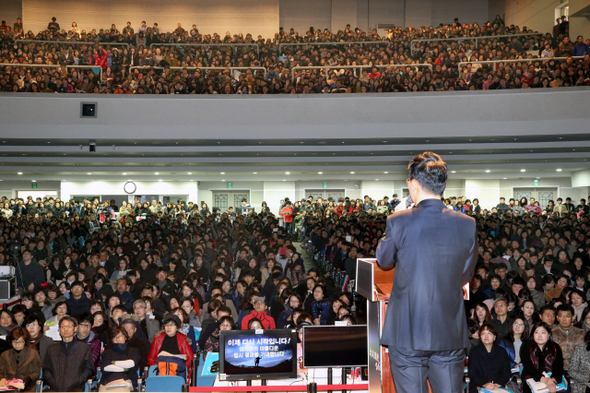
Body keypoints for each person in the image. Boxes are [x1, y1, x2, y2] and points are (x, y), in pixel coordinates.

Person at [376, 152, 478, 393]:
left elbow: (384, 260)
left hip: (407, 332)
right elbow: (465, 275)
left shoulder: (398, 220)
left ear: (413, 184)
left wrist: (399, 213)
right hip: (449, 331)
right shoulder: (467, 223)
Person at [42, 316, 95, 392]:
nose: (66, 329)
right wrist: (53, 382)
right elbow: (46, 370)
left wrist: (77, 381)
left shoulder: (84, 348)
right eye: (63, 326)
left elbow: (89, 369)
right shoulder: (51, 349)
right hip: (54, 388)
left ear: (75, 329)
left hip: (76, 387)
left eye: (69, 326)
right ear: (59, 330)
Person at [520, 322, 566, 393]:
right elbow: (528, 367)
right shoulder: (526, 346)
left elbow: (558, 367)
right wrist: (544, 380)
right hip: (532, 377)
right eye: (536, 332)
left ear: (549, 335)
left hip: (552, 378)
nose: (539, 336)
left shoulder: (555, 347)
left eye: (543, 332)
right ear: (533, 334)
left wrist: (552, 382)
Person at [467, 323, 512, 393]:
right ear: (480, 336)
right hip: (479, 385)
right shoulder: (474, 351)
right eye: (483, 333)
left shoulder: (502, 351)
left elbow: (506, 372)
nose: (486, 336)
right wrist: (485, 384)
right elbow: (472, 373)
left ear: (494, 337)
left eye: (489, 333)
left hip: (498, 386)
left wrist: (497, 384)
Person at [99, 326, 140, 390]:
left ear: (125, 337)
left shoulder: (133, 351)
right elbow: (106, 367)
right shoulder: (107, 352)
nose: (117, 339)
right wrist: (125, 368)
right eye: (114, 337)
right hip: (108, 382)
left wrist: (113, 363)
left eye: (120, 336)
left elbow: (131, 364)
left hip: (127, 381)